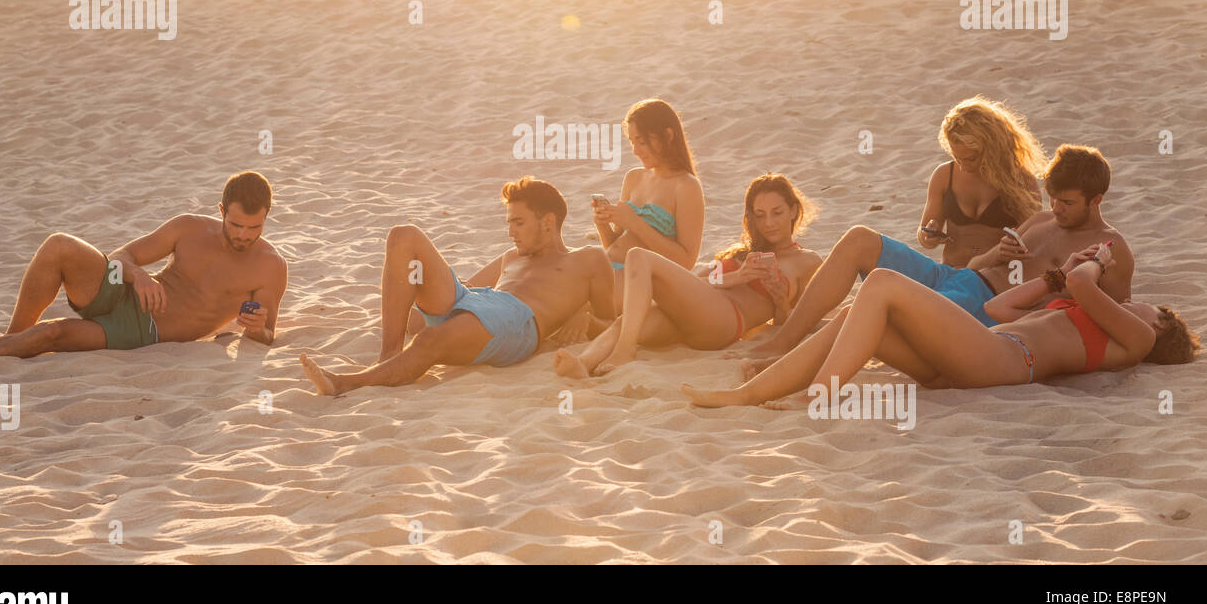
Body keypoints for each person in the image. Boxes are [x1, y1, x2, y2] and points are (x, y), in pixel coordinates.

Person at [741, 144, 1135, 372]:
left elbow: (1107, 318)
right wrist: (996, 252)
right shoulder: (1045, 219)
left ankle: (792, 372)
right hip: (960, 276)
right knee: (860, 239)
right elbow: (984, 264)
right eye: (1054, 199)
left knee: (873, 307)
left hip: (978, 308)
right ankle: (785, 340)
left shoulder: (1109, 249)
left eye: (1067, 202)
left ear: (1096, 201)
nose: (1057, 209)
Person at [684, 242, 1198, 408]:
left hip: (1004, 362)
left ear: (1160, 327)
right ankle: (749, 397)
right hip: (974, 355)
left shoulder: (1137, 339)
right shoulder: (1080, 311)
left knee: (882, 282)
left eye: (1153, 308)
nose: (1138, 307)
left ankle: (817, 395)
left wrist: (1096, 265)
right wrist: (1052, 280)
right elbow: (999, 311)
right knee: (853, 317)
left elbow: (1088, 287)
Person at [0, 171, 288, 372]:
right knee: (59, 244)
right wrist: (139, 276)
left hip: (143, 329)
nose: (243, 236)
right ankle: (11, 341)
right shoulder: (189, 227)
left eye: (254, 228)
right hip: (126, 290)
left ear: (266, 216)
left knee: (54, 332)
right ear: (222, 210)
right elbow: (122, 255)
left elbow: (267, 333)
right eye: (236, 225)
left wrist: (257, 329)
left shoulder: (270, 266)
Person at [300, 177, 615, 394]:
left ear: (548, 222)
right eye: (509, 224)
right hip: (479, 302)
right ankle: (389, 354)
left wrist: (584, 318)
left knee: (429, 339)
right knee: (403, 235)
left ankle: (344, 384)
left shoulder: (588, 259)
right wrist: (419, 293)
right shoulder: (510, 256)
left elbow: (613, 323)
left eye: (518, 223)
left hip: (517, 322)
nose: (510, 233)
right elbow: (466, 290)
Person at [556, 173, 822, 377]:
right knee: (627, 322)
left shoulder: (807, 261)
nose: (769, 223)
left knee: (638, 256)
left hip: (726, 320)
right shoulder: (740, 255)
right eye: (760, 215)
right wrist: (736, 276)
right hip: (697, 314)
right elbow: (701, 279)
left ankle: (625, 349)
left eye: (777, 213)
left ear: (793, 211)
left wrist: (781, 301)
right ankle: (584, 364)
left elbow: (796, 323)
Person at [591, 98, 705, 312]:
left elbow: (686, 262)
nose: (635, 150)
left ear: (668, 136)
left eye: (642, 142)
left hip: (637, 281)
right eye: (632, 142)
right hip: (607, 267)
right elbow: (616, 245)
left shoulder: (686, 186)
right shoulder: (633, 178)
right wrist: (603, 223)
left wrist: (634, 222)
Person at [916, 96, 1045, 267]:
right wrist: (928, 236)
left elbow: (1036, 241)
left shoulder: (1019, 180)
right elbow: (924, 239)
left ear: (991, 149)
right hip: (951, 272)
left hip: (995, 277)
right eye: (957, 158)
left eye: (970, 159)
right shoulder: (944, 175)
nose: (962, 166)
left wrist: (1016, 243)